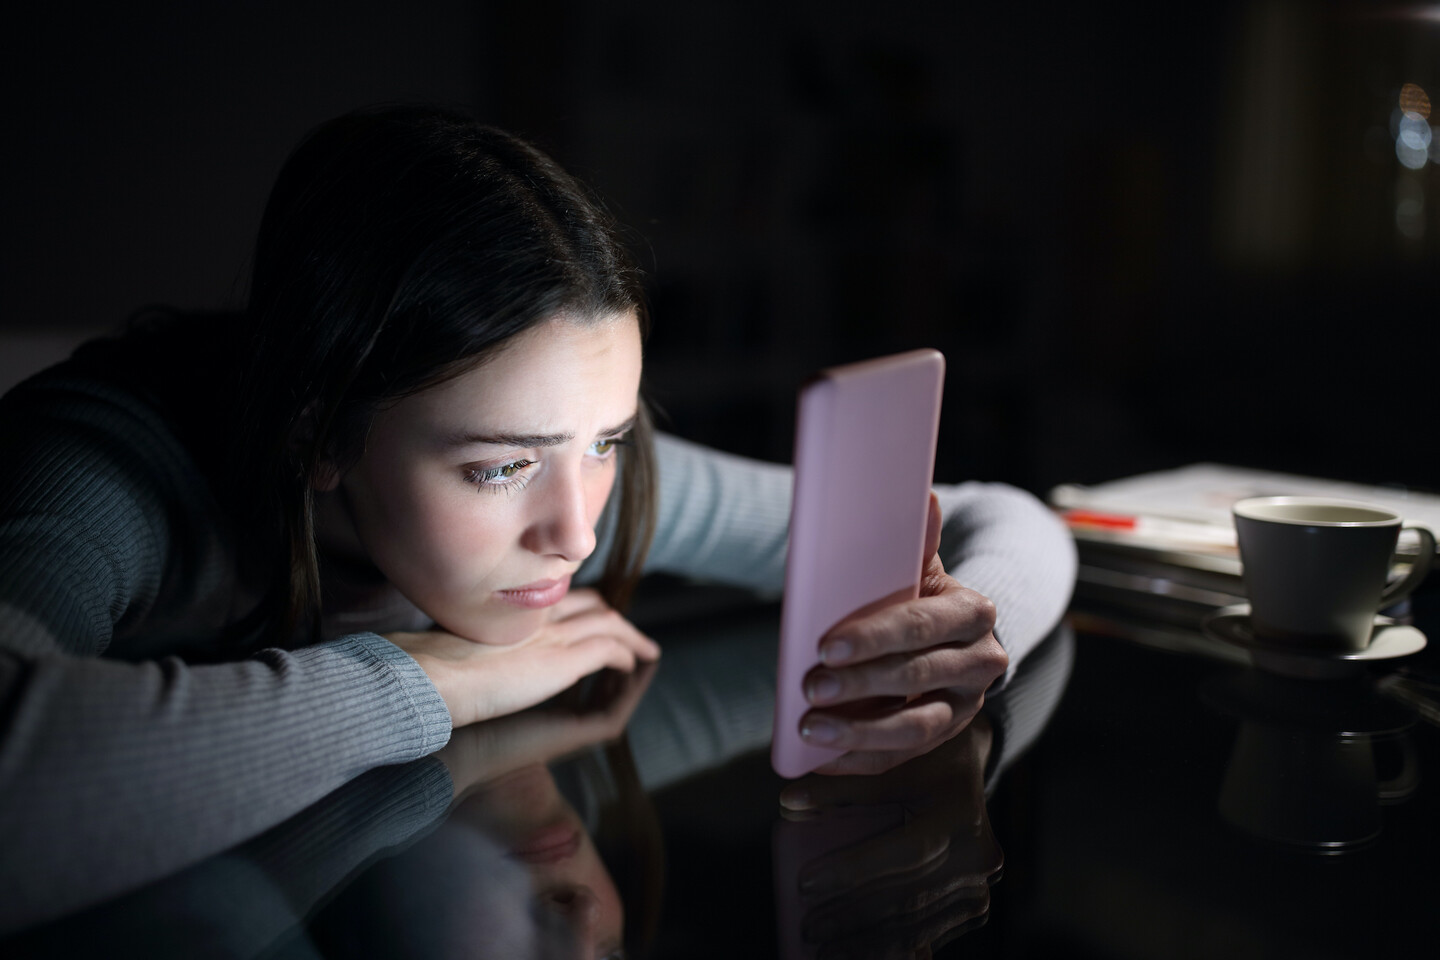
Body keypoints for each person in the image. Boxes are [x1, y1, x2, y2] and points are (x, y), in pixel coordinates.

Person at [0, 104, 1076, 935]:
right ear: (317, 433)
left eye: (607, 441)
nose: (574, 530)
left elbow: (1001, 514)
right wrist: (439, 678)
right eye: (501, 466)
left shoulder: (575, 487)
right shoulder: (103, 473)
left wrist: (970, 622)